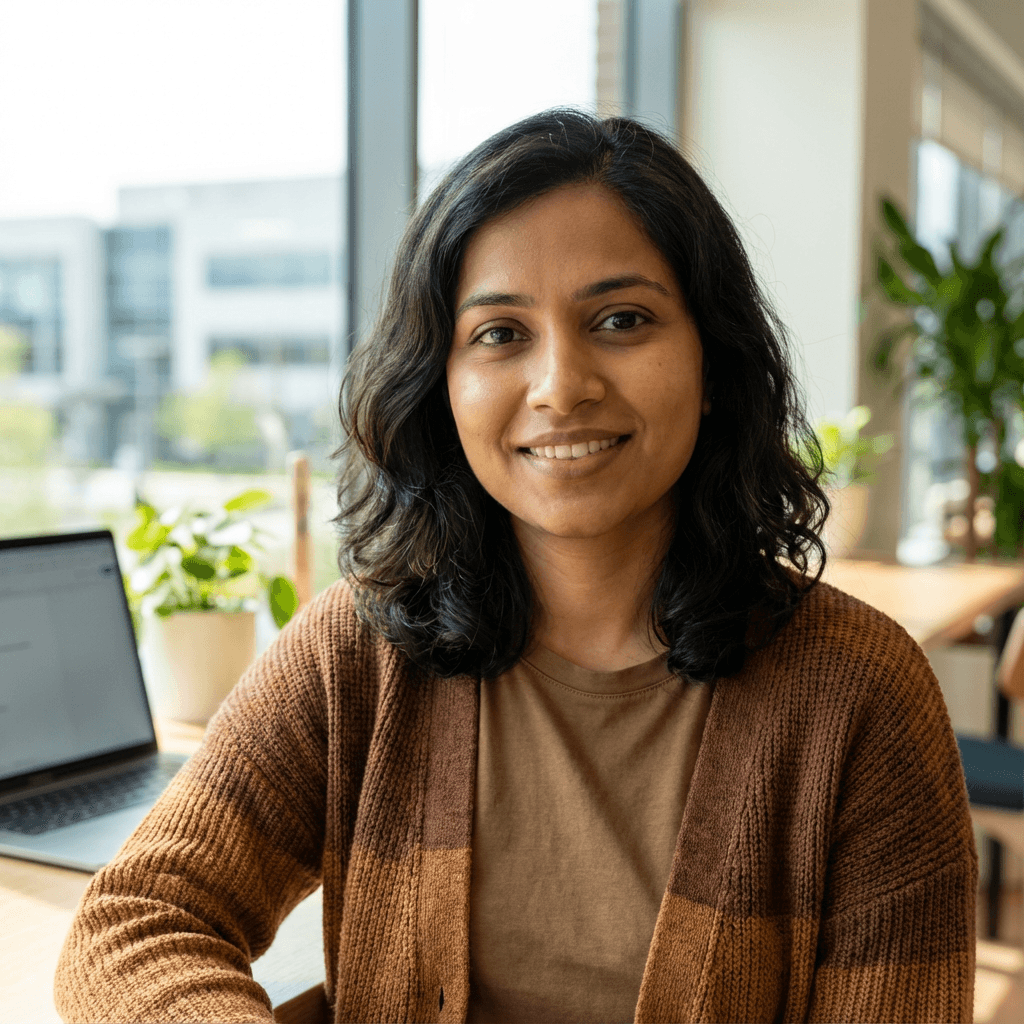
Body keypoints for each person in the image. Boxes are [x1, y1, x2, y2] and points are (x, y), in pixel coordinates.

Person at [55, 110, 977, 1023]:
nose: (560, 386)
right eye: (500, 333)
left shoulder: (863, 700)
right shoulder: (360, 651)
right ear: (440, 381)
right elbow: (138, 922)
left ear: (714, 362)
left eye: (622, 319)